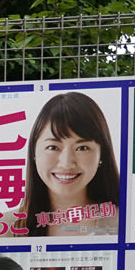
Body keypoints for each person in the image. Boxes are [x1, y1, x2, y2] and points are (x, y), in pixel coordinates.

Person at [21, 91, 120, 238]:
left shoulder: (123, 224)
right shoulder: (5, 229)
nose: (66, 163)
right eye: (53, 147)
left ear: (102, 154)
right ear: (34, 152)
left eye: (82, 148)